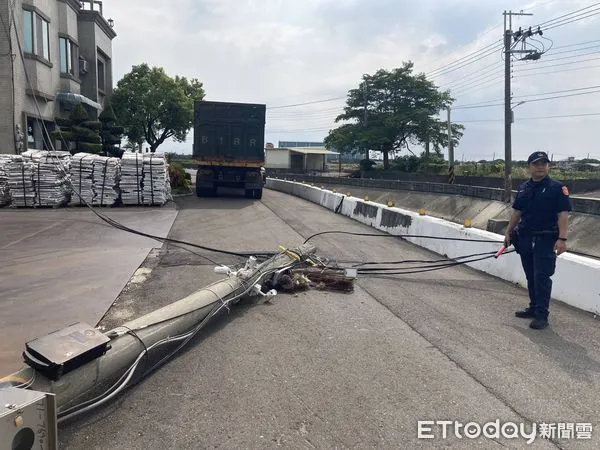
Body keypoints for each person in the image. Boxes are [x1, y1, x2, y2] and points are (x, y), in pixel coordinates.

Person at [504, 151, 572, 330]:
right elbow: (517, 212)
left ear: (549, 166)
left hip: (546, 238)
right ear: (529, 167)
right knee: (530, 275)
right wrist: (508, 233)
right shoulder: (524, 187)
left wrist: (562, 239)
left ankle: (542, 315)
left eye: (544, 163)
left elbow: (563, 214)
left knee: (542, 276)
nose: (540, 167)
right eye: (536, 164)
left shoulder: (557, 188)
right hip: (525, 237)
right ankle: (534, 308)